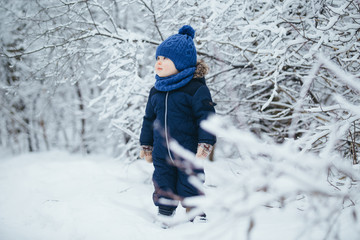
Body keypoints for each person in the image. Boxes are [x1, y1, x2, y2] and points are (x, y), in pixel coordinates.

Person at [139, 25, 216, 222]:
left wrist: (205, 143)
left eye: (165, 59)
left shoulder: (195, 89)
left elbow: (206, 118)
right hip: (161, 151)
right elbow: (149, 119)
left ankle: (196, 214)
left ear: (181, 62)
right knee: (162, 181)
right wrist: (146, 144)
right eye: (158, 58)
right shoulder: (156, 90)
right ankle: (165, 212)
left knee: (190, 182)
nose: (159, 62)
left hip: (187, 149)